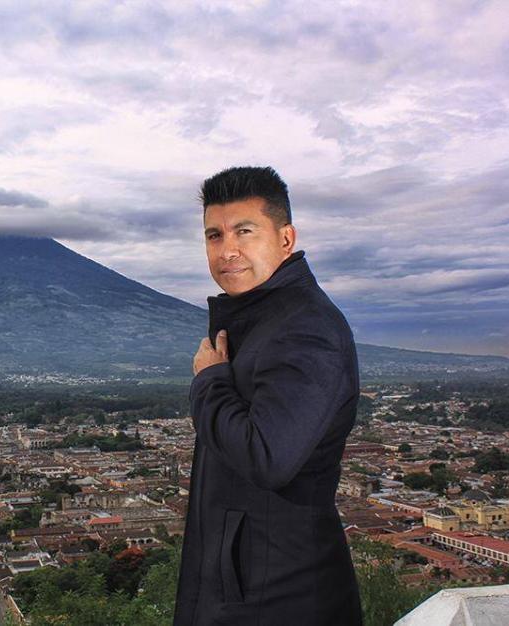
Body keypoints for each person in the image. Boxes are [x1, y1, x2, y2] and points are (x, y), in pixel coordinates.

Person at [173, 166, 362, 625]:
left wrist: (210, 383)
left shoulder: (305, 329)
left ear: (285, 238)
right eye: (214, 235)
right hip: (251, 582)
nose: (227, 250)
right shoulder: (259, 324)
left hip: (282, 595)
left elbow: (267, 457)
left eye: (244, 231)